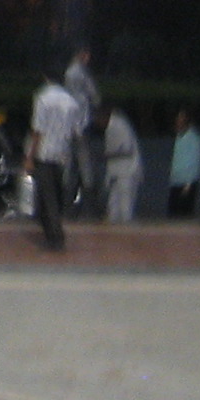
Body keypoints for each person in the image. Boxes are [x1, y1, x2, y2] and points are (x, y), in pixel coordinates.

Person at [25, 63, 83, 252]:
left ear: (45, 78)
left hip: (44, 153)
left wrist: (29, 156)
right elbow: (77, 132)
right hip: (63, 155)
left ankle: (56, 237)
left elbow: (37, 130)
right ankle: (52, 233)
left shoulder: (42, 98)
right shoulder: (71, 102)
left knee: (48, 196)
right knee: (56, 195)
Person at [63, 45, 103, 217]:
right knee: (85, 167)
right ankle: (89, 206)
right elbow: (95, 96)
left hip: (70, 126)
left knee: (70, 167)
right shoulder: (80, 72)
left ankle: (68, 204)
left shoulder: (69, 72)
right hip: (81, 125)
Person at [102, 107, 142, 222]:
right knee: (113, 206)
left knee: (126, 207)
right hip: (116, 172)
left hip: (127, 170)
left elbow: (127, 150)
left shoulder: (119, 125)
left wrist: (106, 155)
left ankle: (127, 230)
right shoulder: (110, 127)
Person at [165, 109, 200, 219]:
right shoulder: (179, 136)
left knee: (184, 214)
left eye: (181, 119)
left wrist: (189, 184)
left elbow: (195, 161)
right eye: (177, 120)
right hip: (175, 181)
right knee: (173, 213)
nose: (178, 122)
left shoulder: (193, 138)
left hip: (186, 182)